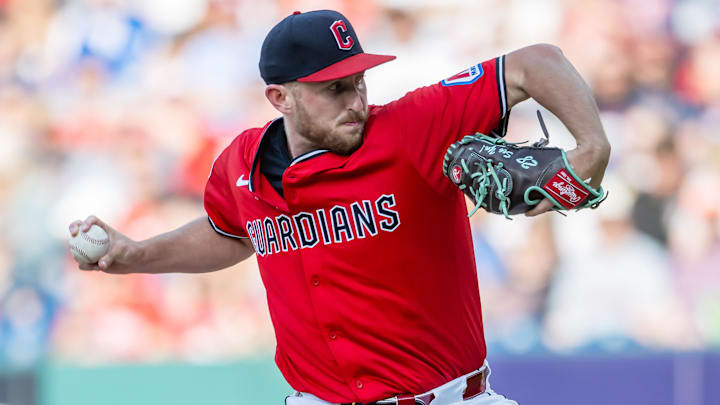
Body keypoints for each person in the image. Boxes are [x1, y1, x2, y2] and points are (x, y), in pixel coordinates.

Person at [69, 9, 610, 405]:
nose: (355, 101)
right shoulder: (242, 164)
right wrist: (136, 255)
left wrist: (591, 150)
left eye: (358, 81)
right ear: (280, 98)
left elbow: (537, 62)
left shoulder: (414, 126)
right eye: (333, 89)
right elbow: (230, 233)